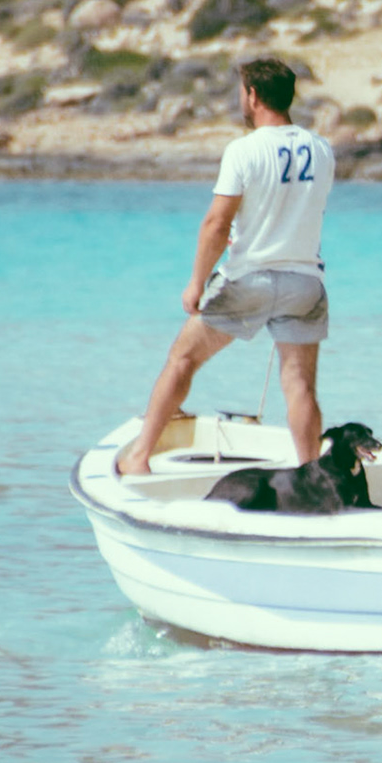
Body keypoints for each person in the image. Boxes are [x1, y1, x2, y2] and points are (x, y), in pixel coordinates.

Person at [117, 58, 334, 476]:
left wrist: (196, 282)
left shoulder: (244, 149)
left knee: (182, 358)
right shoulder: (322, 149)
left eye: (242, 92)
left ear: (252, 96)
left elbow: (216, 223)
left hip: (251, 279)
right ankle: (311, 476)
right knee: (300, 385)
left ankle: (140, 456)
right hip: (306, 282)